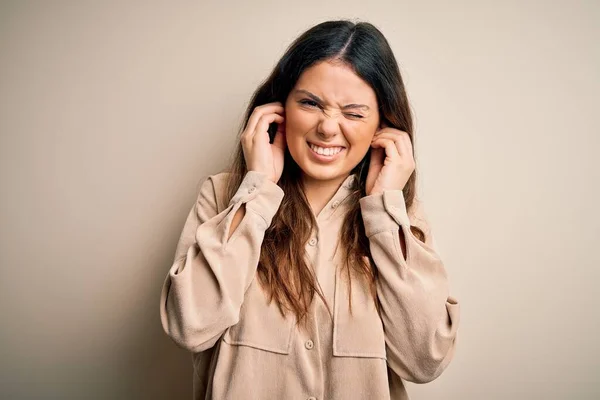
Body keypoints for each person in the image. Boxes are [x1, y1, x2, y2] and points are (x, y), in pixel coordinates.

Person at [159, 19, 460, 400]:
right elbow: (191, 326)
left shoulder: (400, 216)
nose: (328, 128)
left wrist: (385, 212)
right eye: (310, 103)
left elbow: (424, 361)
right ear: (278, 108)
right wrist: (258, 192)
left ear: (382, 125)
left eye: (353, 113)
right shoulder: (223, 196)